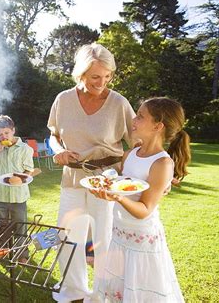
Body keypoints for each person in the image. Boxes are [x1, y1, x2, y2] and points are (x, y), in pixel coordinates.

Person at [47, 43, 136, 302]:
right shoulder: (63, 99)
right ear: (81, 74)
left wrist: (130, 166)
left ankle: (101, 295)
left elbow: (137, 141)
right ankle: (73, 290)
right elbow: (53, 135)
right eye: (96, 76)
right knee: (67, 235)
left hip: (106, 180)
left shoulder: (119, 103)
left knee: (104, 239)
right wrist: (57, 150)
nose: (102, 82)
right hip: (73, 177)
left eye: (107, 76)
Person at [90, 97, 190, 302]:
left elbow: (145, 209)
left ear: (158, 125)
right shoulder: (130, 154)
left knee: (139, 291)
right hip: (119, 233)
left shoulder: (162, 163)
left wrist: (117, 197)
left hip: (141, 241)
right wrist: (105, 184)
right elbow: (120, 180)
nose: (134, 119)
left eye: (140, 116)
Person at [0, 115, 36, 262]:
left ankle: (22, 255)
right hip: (0, 195)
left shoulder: (25, 149)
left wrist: (21, 179)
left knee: (20, 227)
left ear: (13, 130)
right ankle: (1, 253)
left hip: (18, 195)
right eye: (0, 134)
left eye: (6, 133)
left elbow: (29, 170)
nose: (3, 136)